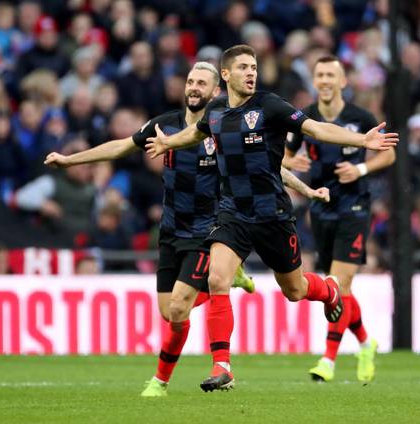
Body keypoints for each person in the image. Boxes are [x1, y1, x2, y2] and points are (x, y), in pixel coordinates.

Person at [45, 61, 329, 397]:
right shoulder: (166, 126)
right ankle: (223, 284)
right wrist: (69, 159)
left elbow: (270, 170)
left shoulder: (223, 125)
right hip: (171, 231)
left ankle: (163, 379)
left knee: (181, 303)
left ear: (215, 91)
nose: (193, 88)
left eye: (201, 83)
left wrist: (307, 191)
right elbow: (120, 146)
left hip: (209, 232)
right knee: (171, 313)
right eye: (190, 82)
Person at [146, 44, 398, 392]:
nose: (252, 73)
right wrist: (169, 143)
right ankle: (222, 366)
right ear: (226, 74)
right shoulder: (217, 110)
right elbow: (197, 133)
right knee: (218, 279)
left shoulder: (270, 106)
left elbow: (316, 129)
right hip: (232, 213)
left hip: (273, 215)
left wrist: (361, 140)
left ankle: (329, 290)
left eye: (254, 67)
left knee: (294, 290)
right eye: (244, 67)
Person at [284, 55, 396, 384]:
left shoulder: (360, 118)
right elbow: (287, 154)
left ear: (343, 81)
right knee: (339, 286)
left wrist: (360, 169)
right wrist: (294, 162)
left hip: (354, 206)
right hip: (320, 205)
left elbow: (388, 152)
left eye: (331, 74)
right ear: (314, 81)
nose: (325, 80)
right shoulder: (306, 119)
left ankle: (328, 359)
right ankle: (365, 342)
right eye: (320, 74)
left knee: (339, 284)